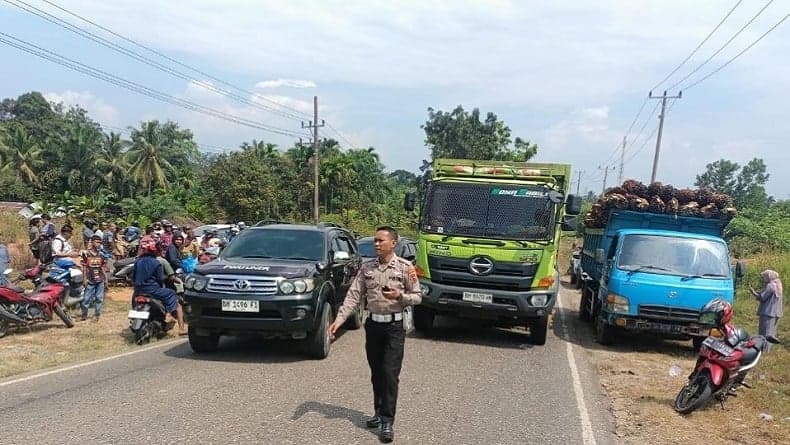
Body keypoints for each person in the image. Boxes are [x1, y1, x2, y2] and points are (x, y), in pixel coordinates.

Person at [328, 226, 422, 443]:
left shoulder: (405, 268)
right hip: (373, 326)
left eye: (381, 240)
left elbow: (417, 297)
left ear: (393, 244)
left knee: (390, 373)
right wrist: (339, 320)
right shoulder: (367, 267)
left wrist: (401, 296)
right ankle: (379, 412)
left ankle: (388, 421)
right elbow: (353, 295)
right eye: (375, 241)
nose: (376, 244)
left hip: (394, 328)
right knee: (377, 372)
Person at [132, 239, 185, 335]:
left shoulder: (137, 261)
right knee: (172, 293)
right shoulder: (157, 262)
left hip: (138, 290)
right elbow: (160, 279)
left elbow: (133, 277)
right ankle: (169, 315)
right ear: (156, 251)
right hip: (152, 290)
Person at [750, 270, 783, 351]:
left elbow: (762, 298)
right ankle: (768, 349)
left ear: (769, 277)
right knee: (771, 333)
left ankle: (763, 350)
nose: (763, 279)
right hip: (776, 313)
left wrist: (753, 293)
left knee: (764, 332)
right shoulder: (778, 284)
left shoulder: (770, 286)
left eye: (764, 277)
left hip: (767, 312)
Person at [81, 235, 107, 322]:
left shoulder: (101, 254)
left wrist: (106, 279)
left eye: (100, 242)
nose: (99, 244)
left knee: (99, 298)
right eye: (97, 242)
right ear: (92, 242)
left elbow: (103, 267)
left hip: (100, 279)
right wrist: (84, 279)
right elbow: (84, 267)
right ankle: (84, 314)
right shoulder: (86, 254)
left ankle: (97, 315)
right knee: (86, 299)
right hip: (90, 279)